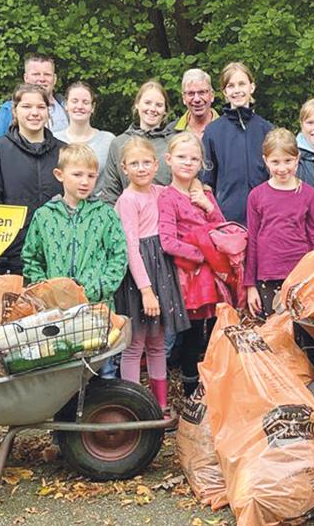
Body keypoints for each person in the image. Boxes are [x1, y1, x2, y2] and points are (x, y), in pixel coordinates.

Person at [114, 137, 190, 416]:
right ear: (124, 168)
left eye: (146, 162)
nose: (141, 168)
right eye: (134, 163)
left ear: (157, 164)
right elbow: (131, 246)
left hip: (163, 269)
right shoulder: (127, 200)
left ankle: (160, 405)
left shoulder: (161, 192)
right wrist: (146, 290)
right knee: (135, 344)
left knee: (158, 343)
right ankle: (132, 408)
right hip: (140, 277)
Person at [158, 132, 227, 398]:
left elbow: (221, 226)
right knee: (192, 333)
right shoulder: (168, 197)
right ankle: (189, 389)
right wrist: (202, 254)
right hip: (188, 275)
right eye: (181, 157)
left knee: (213, 329)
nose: (187, 163)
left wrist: (207, 205)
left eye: (194, 158)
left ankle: (212, 382)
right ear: (169, 160)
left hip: (211, 274)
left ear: (201, 163)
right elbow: (167, 241)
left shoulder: (204, 193)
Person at [21, 143, 127, 305]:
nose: (85, 182)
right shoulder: (44, 216)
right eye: (77, 175)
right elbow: (31, 258)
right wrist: (45, 291)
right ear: (59, 174)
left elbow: (119, 256)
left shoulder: (105, 215)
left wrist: (98, 289)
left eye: (91, 176)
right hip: (55, 308)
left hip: (97, 306)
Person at [0, 84, 66, 275]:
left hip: (60, 256)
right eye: (26, 106)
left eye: (41, 107)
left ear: (48, 112)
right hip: (14, 259)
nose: (34, 113)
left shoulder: (64, 152)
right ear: (15, 111)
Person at [201, 62, 274, 225]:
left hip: (265, 215)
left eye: (242, 84)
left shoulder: (267, 130)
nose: (237, 90)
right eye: (231, 86)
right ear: (224, 92)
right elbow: (207, 183)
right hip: (228, 216)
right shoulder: (213, 132)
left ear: (252, 87)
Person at [102, 80, 176, 204]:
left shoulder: (173, 144)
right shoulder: (119, 143)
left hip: (166, 217)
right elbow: (110, 193)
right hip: (129, 217)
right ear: (137, 104)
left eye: (158, 105)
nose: (152, 109)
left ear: (165, 110)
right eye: (147, 103)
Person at [54, 82, 115, 197]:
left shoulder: (108, 141)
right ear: (66, 105)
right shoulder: (54, 139)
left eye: (85, 102)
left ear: (92, 107)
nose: (80, 106)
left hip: (99, 210)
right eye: (74, 101)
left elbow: (114, 182)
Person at [0, 54, 68, 137]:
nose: (42, 79)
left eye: (47, 74)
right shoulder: (8, 110)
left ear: (55, 79)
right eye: (36, 74)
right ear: (26, 78)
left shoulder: (67, 108)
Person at [172, 69, 219, 138]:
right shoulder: (170, 133)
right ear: (183, 98)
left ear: (212, 95)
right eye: (191, 93)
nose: (197, 99)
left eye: (202, 92)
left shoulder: (228, 129)